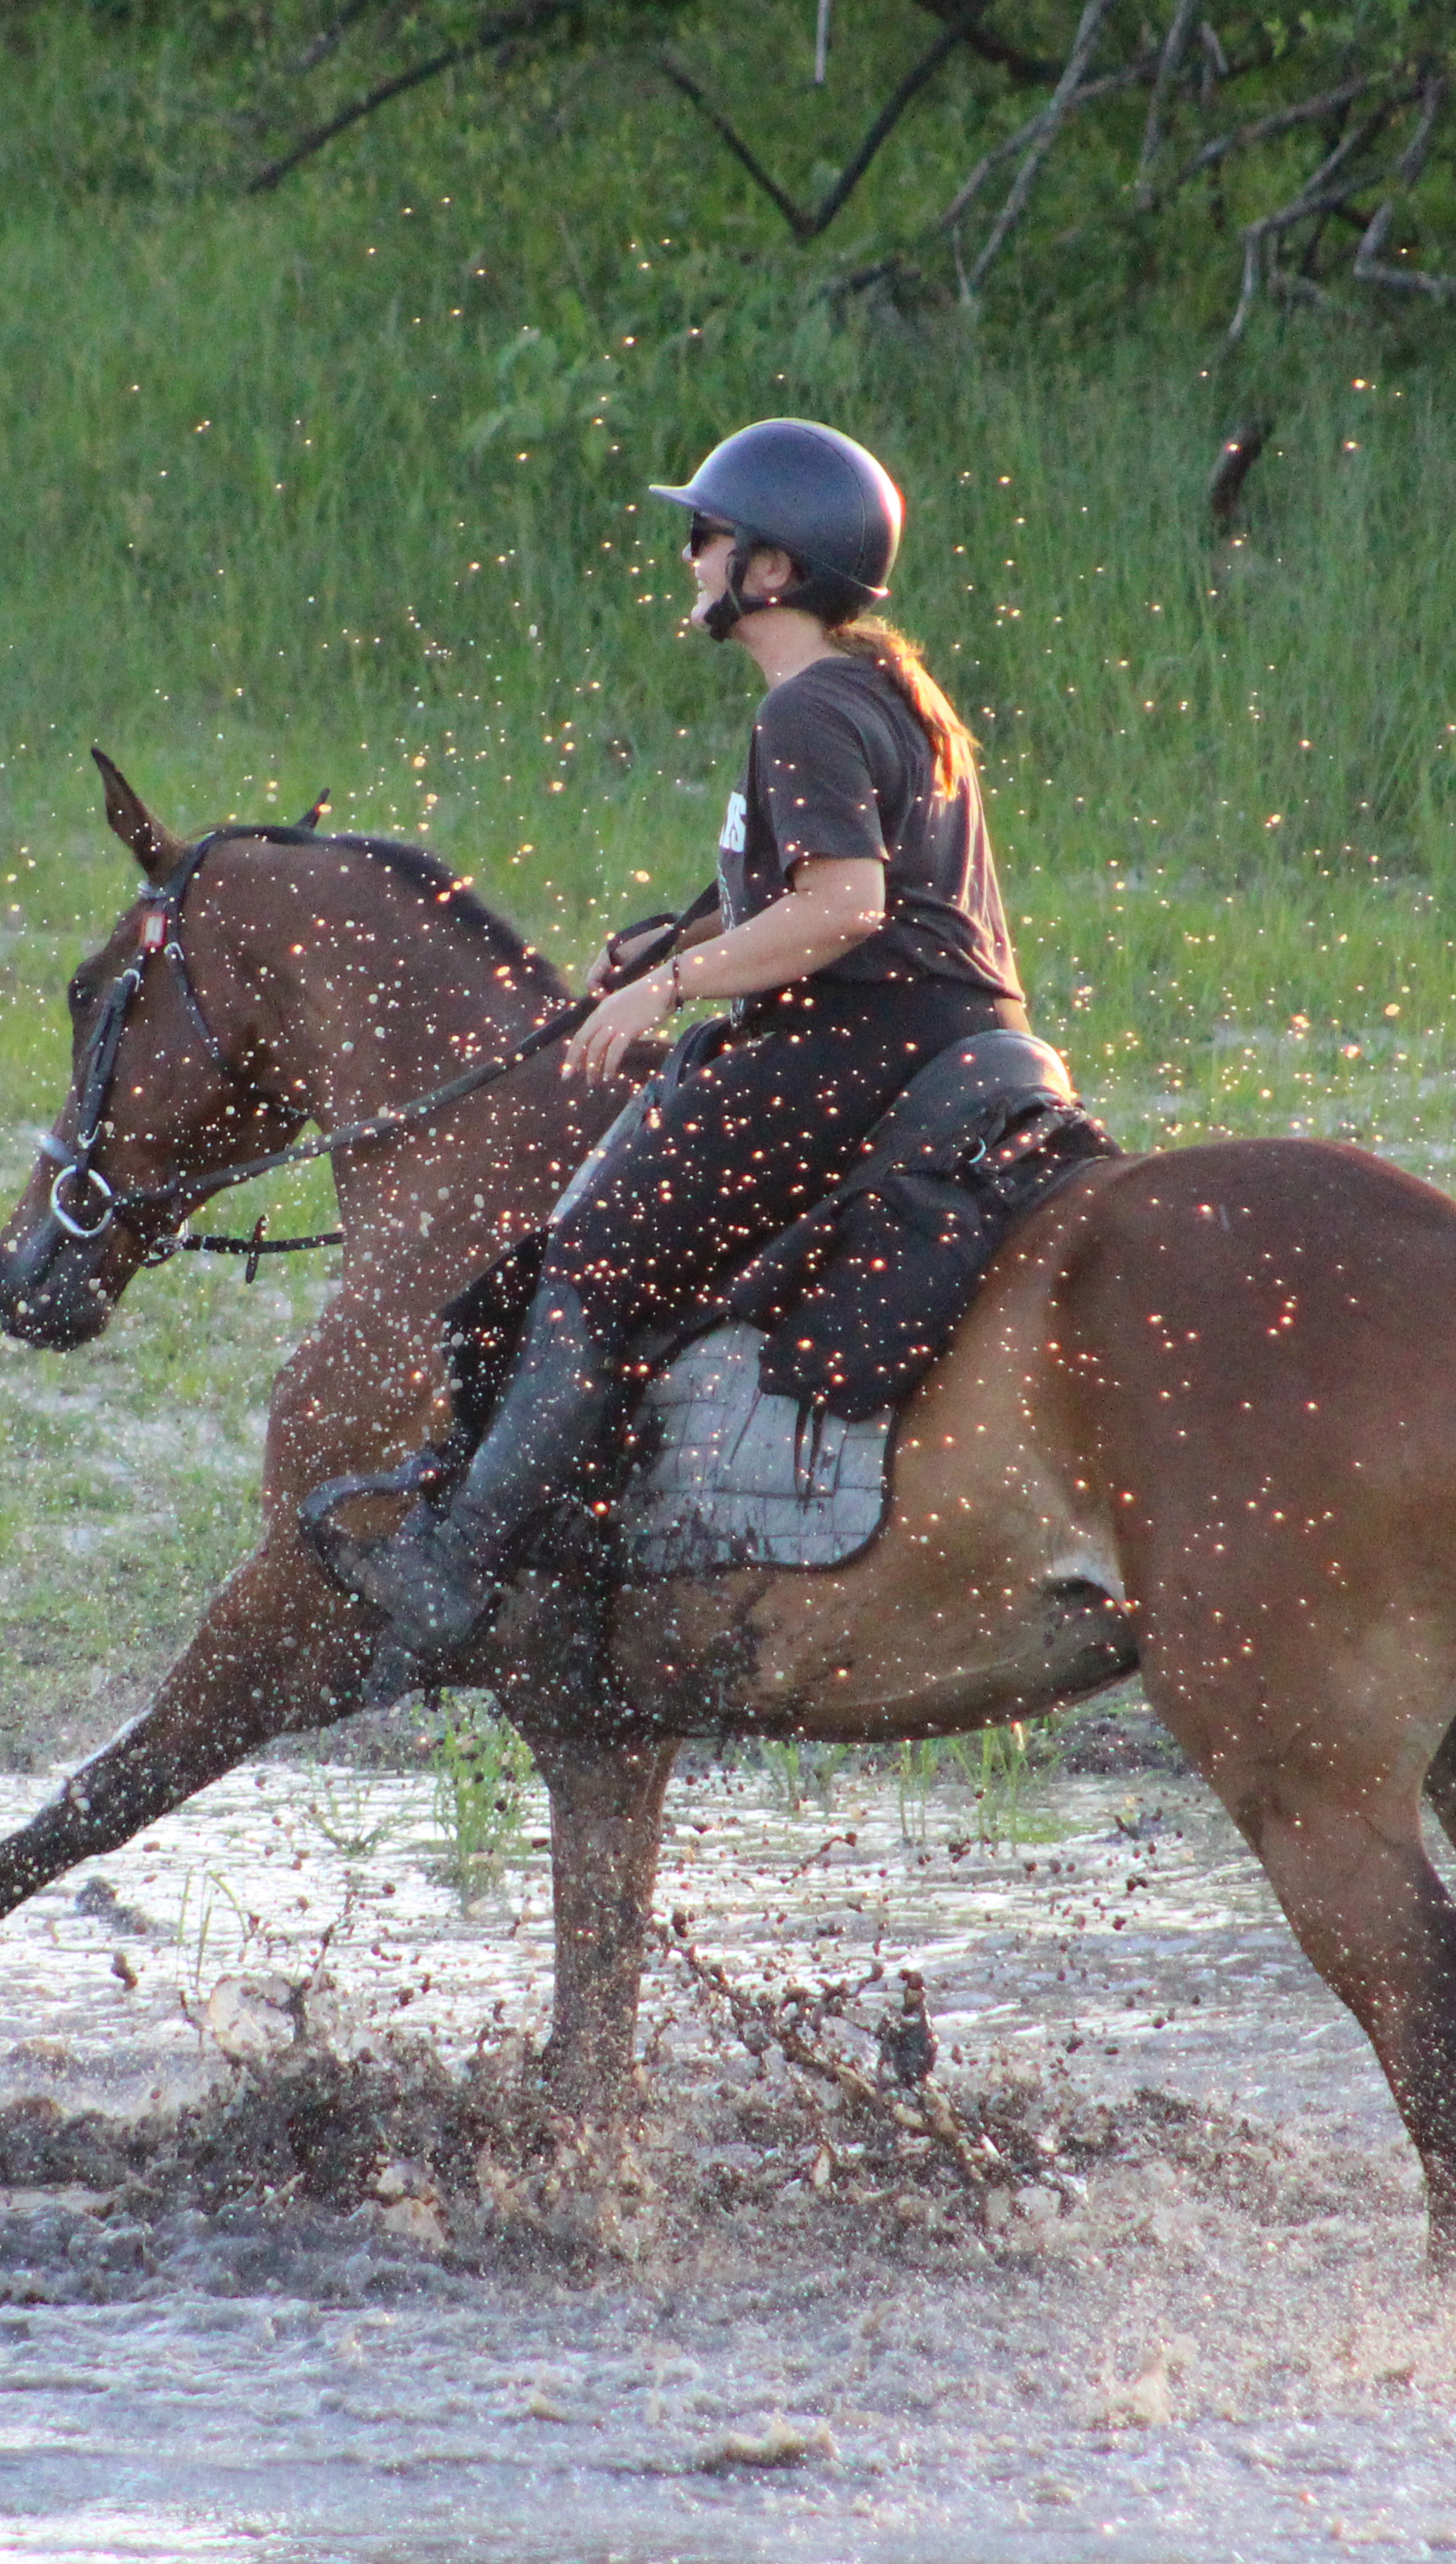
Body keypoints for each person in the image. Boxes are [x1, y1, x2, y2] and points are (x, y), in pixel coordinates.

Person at [330, 417, 1027, 1656]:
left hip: (856, 1048)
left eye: (708, 538)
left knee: (591, 1256)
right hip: (965, 1035)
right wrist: (679, 938)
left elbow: (849, 908)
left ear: (771, 570)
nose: (691, 560)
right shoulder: (883, 695)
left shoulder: (805, 711)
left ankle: (453, 1572)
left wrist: (673, 990)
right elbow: (843, 885)